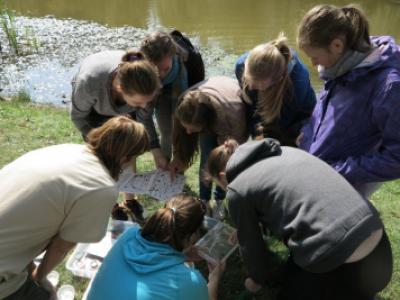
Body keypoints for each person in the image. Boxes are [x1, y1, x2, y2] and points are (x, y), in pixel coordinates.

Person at [206, 139, 392, 300]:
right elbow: (290, 202)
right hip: (379, 251)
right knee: (293, 274)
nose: (225, 190)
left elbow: (253, 251)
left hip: (340, 264)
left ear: (223, 176)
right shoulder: (285, 151)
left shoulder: (237, 188)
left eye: (221, 186)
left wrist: (256, 279)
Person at [0, 116, 149, 300]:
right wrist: (40, 278)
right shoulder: (102, 187)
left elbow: (23, 219)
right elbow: (62, 245)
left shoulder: (66, 150)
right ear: (126, 157)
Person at [297, 4, 400, 198]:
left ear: (336, 45)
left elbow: (396, 158)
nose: (313, 64)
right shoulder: (341, 64)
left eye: (315, 57)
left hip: (346, 187)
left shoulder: (388, 87)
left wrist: (337, 171)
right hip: (319, 173)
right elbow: (327, 109)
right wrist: (308, 132)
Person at [70, 50, 160, 219]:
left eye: (148, 101)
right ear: (120, 88)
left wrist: (154, 148)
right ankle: (111, 203)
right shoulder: (90, 83)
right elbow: (78, 117)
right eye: (139, 103)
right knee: (103, 161)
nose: (145, 106)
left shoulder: (148, 85)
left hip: (125, 105)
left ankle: (130, 200)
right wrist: (102, 142)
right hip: (93, 115)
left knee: (128, 153)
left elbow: (144, 118)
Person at [86, 194, 225, 300]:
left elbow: (151, 259)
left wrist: (183, 256)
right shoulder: (188, 281)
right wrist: (214, 277)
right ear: (191, 236)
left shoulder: (128, 235)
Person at [169, 76, 249, 218]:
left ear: (205, 124)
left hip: (229, 114)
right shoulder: (185, 103)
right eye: (186, 127)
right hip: (213, 106)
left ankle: (219, 199)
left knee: (224, 164)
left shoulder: (235, 116)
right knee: (206, 159)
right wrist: (178, 155)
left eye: (192, 129)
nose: (188, 132)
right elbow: (179, 134)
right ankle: (204, 200)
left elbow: (233, 154)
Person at [235, 34, 316, 146]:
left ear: (277, 81)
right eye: (248, 79)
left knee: (283, 144)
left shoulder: (298, 82)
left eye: (258, 84)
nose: (251, 87)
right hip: (274, 106)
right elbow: (252, 108)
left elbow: (279, 125)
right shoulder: (240, 65)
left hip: (299, 117)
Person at [139, 30, 205, 165]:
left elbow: (191, 116)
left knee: (181, 124)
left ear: (173, 54)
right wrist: (155, 149)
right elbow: (144, 116)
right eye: (155, 70)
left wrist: (182, 156)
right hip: (155, 88)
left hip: (183, 87)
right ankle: (164, 164)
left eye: (165, 69)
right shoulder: (141, 69)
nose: (160, 75)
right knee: (166, 131)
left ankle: (180, 163)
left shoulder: (193, 61)